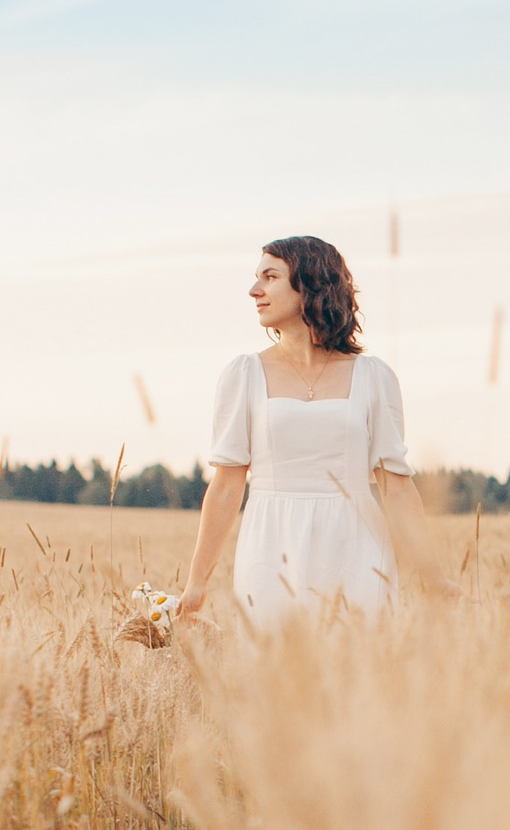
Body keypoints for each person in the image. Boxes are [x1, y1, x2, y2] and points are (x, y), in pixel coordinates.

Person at [176, 235, 436, 627]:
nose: (254, 290)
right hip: (270, 549)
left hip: (359, 548)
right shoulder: (244, 374)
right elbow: (227, 486)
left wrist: (435, 578)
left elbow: (396, 487)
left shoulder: (373, 376)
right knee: (274, 678)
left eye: (270, 276)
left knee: (360, 675)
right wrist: (196, 582)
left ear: (309, 284)